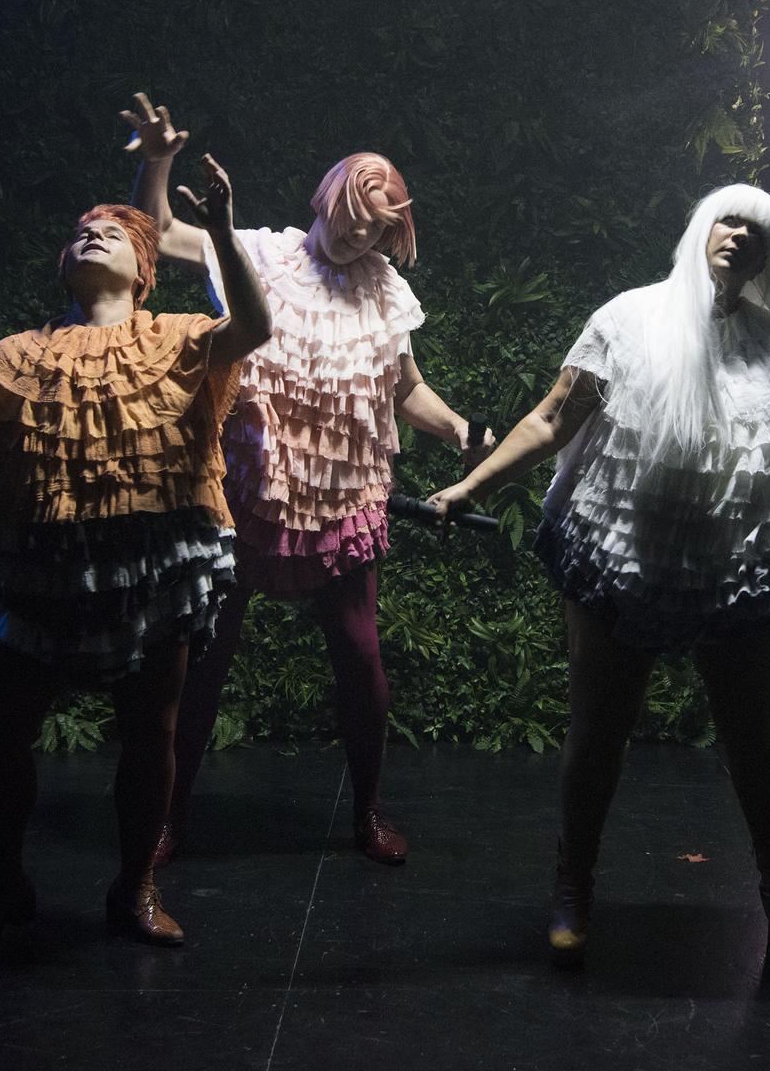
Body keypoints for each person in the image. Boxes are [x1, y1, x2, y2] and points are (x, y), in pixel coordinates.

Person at [426, 183, 770, 969]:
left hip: (736, 563)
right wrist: (470, 486)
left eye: (758, 230)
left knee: (754, 737)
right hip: (622, 553)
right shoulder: (627, 320)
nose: (739, 235)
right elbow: (552, 417)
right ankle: (573, 884)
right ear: (702, 229)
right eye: (729, 219)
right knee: (597, 730)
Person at [0, 157, 271, 953]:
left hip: (158, 568)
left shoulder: (179, 336)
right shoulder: (18, 353)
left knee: (153, 732)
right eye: (80, 233)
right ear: (65, 266)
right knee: (4, 732)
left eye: (111, 231)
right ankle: (4, 888)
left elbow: (253, 328)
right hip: (42, 569)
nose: (91, 234)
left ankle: (135, 886)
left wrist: (221, 235)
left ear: (144, 271)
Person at [121, 95, 493, 867]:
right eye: (355, 215)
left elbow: (406, 389)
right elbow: (157, 230)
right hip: (248, 491)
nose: (361, 233)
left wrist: (458, 427)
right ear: (329, 197)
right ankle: (166, 814)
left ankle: (368, 809)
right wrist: (157, 161)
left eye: (379, 226)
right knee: (205, 656)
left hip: (344, 495)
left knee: (360, 656)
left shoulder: (385, 290)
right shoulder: (262, 254)